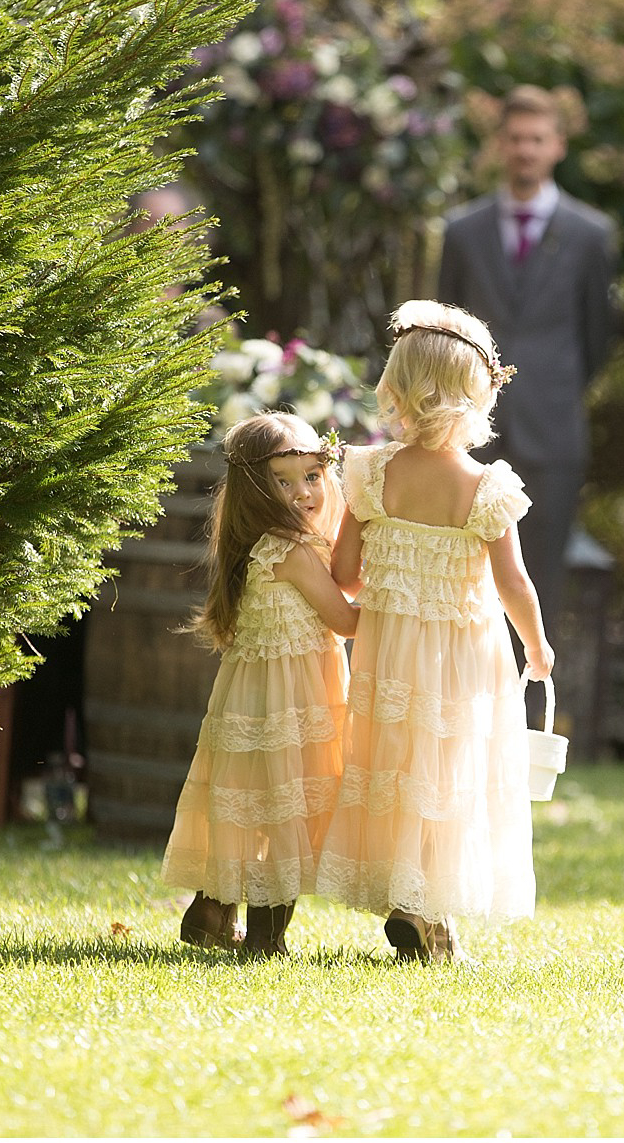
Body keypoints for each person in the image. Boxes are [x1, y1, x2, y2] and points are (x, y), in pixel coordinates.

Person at [315, 302, 553, 963]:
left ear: (395, 388)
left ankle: (410, 897)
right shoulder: (484, 487)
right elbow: (514, 584)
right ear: (478, 394)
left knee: (394, 766)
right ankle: (433, 912)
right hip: (463, 655)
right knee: (448, 773)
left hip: (390, 650)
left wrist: (396, 584)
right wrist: (536, 644)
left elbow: (345, 572)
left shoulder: (371, 471)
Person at [436, 86, 616, 717]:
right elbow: (444, 329)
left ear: (557, 147)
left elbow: (598, 339)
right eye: (515, 138)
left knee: (539, 575)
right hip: (468, 431)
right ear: (500, 145)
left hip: (552, 431)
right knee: (460, 572)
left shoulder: (592, 235)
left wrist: (551, 392)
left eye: (538, 139)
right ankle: (463, 711)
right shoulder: (461, 231)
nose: (526, 150)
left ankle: (532, 715)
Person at [161, 411, 355, 956]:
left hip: (253, 696)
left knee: (250, 807)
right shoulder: (290, 550)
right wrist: (408, 611)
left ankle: (209, 914)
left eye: (313, 476)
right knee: (285, 810)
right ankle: (267, 939)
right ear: (254, 490)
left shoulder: (257, 544)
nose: (304, 492)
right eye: (284, 481)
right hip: (293, 699)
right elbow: (344, 620)